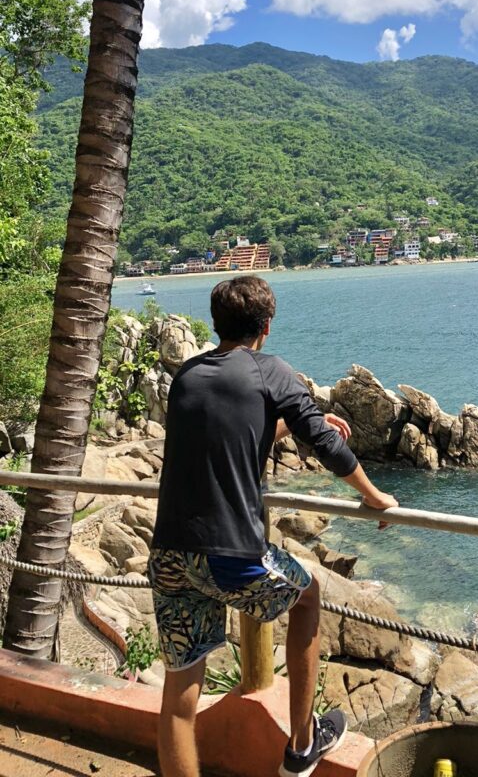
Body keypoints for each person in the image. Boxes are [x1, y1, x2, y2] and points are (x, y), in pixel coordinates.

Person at [148, 275, 398, 777]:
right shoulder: (272, 371)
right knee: (306, 597)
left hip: (170, 551)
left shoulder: (189, 375)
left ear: (218, 323)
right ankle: (303, 746)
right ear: (266, 326)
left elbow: (236, 426)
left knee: (179, 697)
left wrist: (308, 421)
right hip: (229, 555)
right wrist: (376, 497)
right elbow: (328, 451)